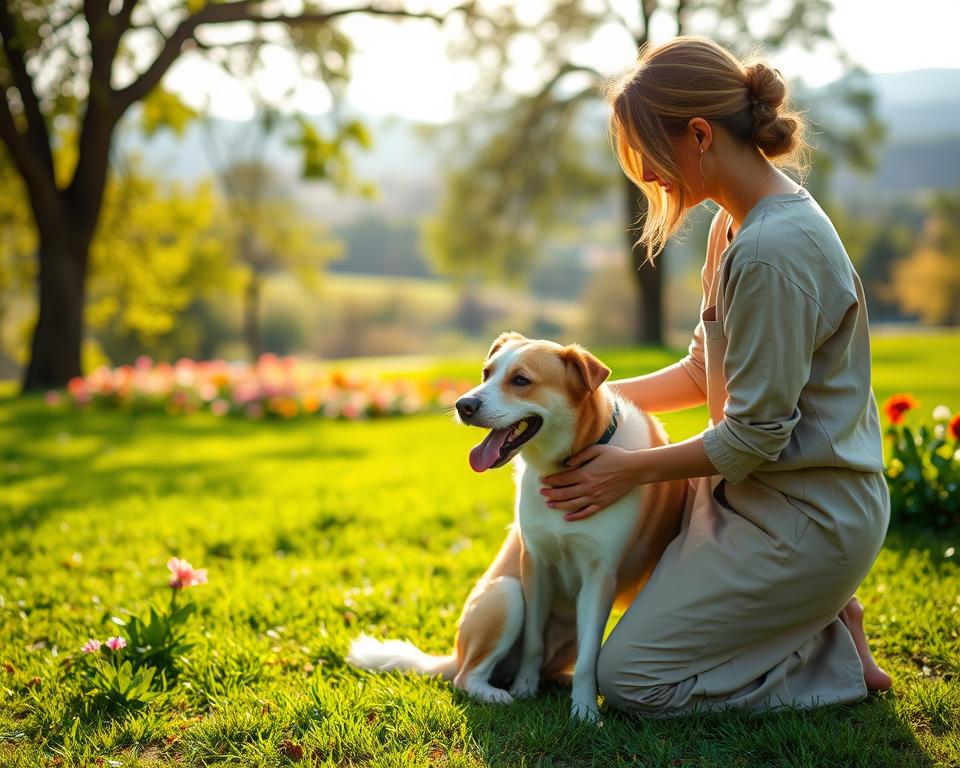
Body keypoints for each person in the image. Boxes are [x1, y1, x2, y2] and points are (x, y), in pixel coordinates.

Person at [538, 36, 893, 716]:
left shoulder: (769, 252)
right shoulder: (733, 226)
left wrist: (624, 467)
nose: (645, 174)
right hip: (742, 495)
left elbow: (755, 436)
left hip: (805, 515)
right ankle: (815, 616)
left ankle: (828, 651)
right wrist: (580, 403)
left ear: (699, 133)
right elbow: (706, 370)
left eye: (647, 153)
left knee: (632, 680)